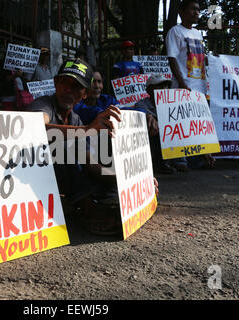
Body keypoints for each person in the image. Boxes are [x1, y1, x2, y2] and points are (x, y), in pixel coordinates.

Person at [28, 59, 158, 235]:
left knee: (104, 166)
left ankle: (88, 202)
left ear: (84, 94)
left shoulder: (75, 119)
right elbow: (36, 127)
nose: (68, 90)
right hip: (35, 181)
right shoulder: (43, 104)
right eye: (65, 83)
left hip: (66, 181)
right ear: (56, 83)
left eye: (76, 87)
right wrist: (87, 130)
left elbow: (92, 166)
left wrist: (134, 180)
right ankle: (89, 211)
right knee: (61, 145)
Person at [166, 0, 215, 170]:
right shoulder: (175, 32)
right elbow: (172, 58)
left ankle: (204, 157)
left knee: (197, 124)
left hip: (199, 86)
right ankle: (180, 160)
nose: (196, 12)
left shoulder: (198, 34)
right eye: (193, 9)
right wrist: (181, 82)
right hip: (183, 85)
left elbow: (199, 58)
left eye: (198, 9)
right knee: (180, 123)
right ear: (181, 11)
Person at [133, 74, 177, 174]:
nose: (163, 89)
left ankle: (178, 161)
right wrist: (148, 116)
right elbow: (140, 112)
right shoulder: (142, 103)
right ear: (149, 90)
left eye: (165, 86)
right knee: (153, 125)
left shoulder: (173, 104)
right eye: (160, 86)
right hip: (151, 137)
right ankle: (156, 164)